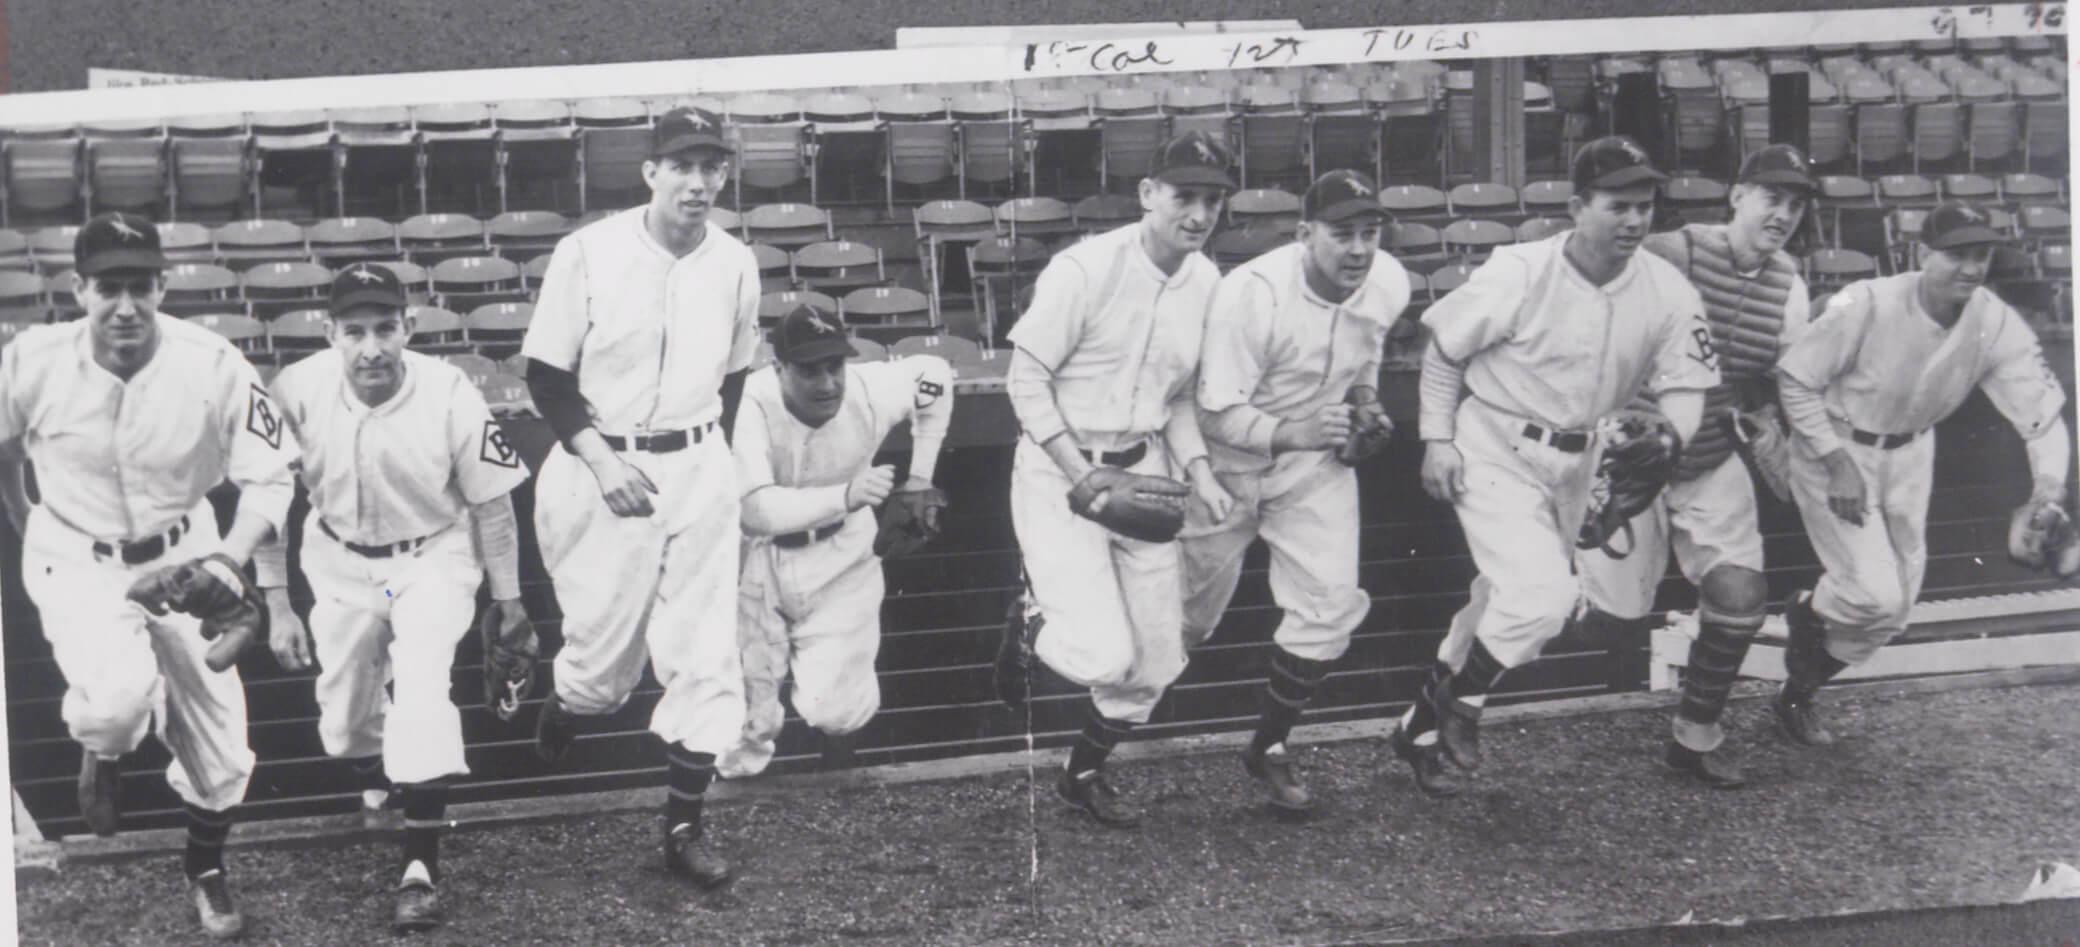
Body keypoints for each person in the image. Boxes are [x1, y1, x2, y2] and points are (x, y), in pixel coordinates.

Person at [0, 213, 299, 938]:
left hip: (186, 552)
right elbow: (6, 448)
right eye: (109, 287)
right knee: (115, 706)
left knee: (226, 758)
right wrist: (22, 514)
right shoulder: (31, 359)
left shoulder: (215, 363)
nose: (125, 305)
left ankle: (206, 869)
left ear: (164, 285)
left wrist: (229, 559)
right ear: (79, 289)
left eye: (140, 285)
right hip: (79, 557)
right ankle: (103, 748)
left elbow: (272, 477)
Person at [1405, 137, 1721, 783]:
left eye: (1645, 205)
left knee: (1498, 597)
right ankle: (1461, 703)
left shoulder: (1668, 289)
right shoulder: (1520, 270)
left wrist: (1663, 448)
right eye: (1617, 205)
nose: (1635, 221)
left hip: (1582, 459)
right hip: (1495, 442)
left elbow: (1687, 388)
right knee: (1543, 597)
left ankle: (1418, 726)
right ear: (1578, 206)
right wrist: (1436, 438)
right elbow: (1443, 351)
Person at [520, 106, 760, 887]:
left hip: (695, 464)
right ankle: (567, 699)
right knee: (600, 669)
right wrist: (603, 461)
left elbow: (731, 378)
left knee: (708, 657)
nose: (698, 181)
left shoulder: (735, 261)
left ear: (724, 173)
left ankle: (684, 827)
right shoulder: (586, 252)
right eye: (681, 165)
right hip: (600, 464)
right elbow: (548, 379)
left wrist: (706, 464)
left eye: (711, 166)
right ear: (650, 171)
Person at [256, 265, 534, 932]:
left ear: (408, 328)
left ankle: (420, 866)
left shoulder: (450, 390)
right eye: (355, 331)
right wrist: (276, 601)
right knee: (343, 725)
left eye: (386, 328)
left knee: (422, 690)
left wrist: (512, 601)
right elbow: (265, 493)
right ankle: (390, 767)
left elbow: (492, 505)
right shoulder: (295, 388)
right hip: (341, 563)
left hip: (430, 557)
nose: (372, 347)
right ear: (331, 333)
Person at [998, 131, 1236, 827]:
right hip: (1059, 471)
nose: (1197, 214)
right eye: (1183, 196)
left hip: (1146, 466)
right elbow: (1027, 378)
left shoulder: (1207, 282)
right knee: (1102, 652)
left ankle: (1083, 771)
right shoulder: (1086, 269)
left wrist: (1198, 470)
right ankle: (1029, 621)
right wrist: (1083, 476)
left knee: (1159, 659)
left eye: (1212, 199)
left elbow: (1181, 397)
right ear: (1148, 194)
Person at [1772, 201, 2070, 746]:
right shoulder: (1867, 302)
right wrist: (1836, 463)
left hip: (1911, 452)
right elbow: (1795, 379)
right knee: (1874, 597)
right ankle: (1810, 612)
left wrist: (2047, 492)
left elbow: (2042, 417)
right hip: (1836, 444)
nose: (1972, 269)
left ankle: (1798, 691)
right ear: (1920, 254)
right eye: (1957, 255)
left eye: (1980, 256)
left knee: (1896, 611)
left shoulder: (1993, 320)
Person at [1573, 144, 1817, 788]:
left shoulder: (1789, 284)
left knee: (1740, 595)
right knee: (1616, 617)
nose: (1783, 214)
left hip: (1709, 453)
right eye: (1772, 197)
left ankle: (1696, 735)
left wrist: (1769, 431)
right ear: (1737, 195)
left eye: (1796, 204)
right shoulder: (1669, 252)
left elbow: (1777, 380)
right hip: (1633, 453)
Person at [1181, 169, 1411, 814]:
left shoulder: (1386, 280)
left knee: (1331, 602)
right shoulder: (1250, 295)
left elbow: (1364, 364)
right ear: (1305, 233)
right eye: (1343, 234)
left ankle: (1269, 747)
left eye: (1370, 233)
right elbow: (1213, 412)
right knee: (1175, 627)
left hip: (1313, 466)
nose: (1360, 249)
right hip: (1223, 468)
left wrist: (1367, 407)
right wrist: (1299, 429)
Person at [716, 304, 954, 778]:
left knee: (838, 712)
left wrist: (920, 477)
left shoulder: (870, 389)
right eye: (809, 370)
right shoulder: (749, 403)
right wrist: (845, 494)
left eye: (834, 366)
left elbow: (937, 374)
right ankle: (727, 806)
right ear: (778, 366)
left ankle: (841, 806)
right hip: (754, 560)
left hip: (843, 556)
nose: (827, 383)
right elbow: (755, 510)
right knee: (748, 719)